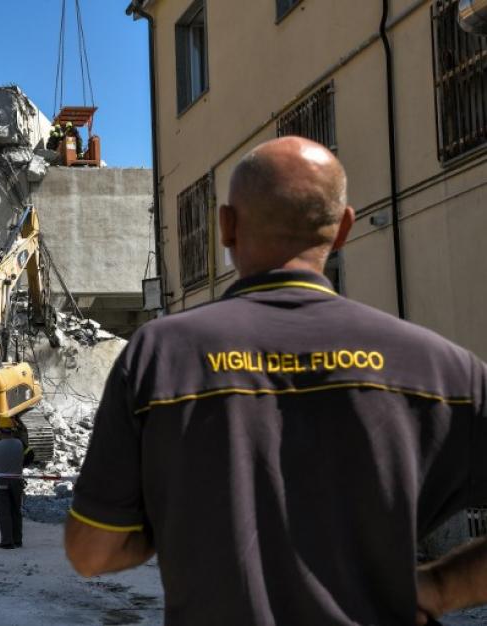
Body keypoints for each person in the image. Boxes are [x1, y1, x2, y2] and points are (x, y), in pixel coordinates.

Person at [64, 136, 487, 625]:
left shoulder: (161, 357)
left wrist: (172, 523)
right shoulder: (438, 369)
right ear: (345, 226)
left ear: (226, 226)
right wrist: (439, 586)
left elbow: (91, 552)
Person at [0, 417, 26, 549]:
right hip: (17, 481)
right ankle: (17, 540)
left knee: (3, 511)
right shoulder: (19, 443)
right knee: (16, 509)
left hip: (0, 481)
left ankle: (7, 542)